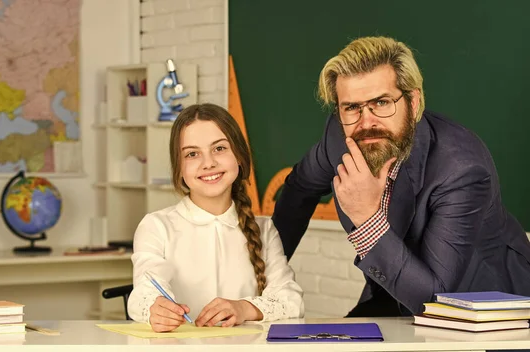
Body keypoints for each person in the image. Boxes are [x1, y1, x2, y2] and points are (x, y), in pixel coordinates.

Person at [272, 36, 530, 317]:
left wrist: (367, 218)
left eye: (382, 102)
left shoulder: (462, 170)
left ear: (414, 101)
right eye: (351, 107)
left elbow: (435, 299)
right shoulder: (339, 136)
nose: (366, 122)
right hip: (393, 292)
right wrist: (265, 277)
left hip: (483, 306)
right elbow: (299, 189)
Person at [127, 103, 304, 332]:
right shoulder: (156, 226)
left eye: (219, 149)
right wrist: (155, 308)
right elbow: (143, 292)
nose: (208, 163)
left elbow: (291, 300)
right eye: (192, 154)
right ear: (179, 168)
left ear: (239, 157)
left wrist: (243, 308)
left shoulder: (264, 230)